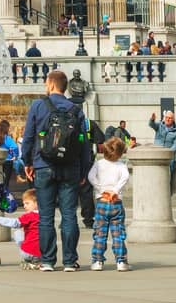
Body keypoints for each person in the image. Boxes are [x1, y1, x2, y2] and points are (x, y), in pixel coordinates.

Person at [21, 71, 93, 272]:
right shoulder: (76, 109)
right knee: (69, 214)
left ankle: (47, 260)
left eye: (46, 82)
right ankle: (69, 261)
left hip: (43, 165)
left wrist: (27, 161)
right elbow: (84, 143)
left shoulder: (38, 106)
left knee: (45, 216)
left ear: (51, 84)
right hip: (70, 167)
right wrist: (84, 171)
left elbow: (28, 137)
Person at [88, 136, 131, 272]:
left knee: (100, 233)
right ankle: (121, 261)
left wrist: (101, 189)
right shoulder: (121, 165)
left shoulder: (98, 163)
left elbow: (90, 177)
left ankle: (97, 260)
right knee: (118, 233)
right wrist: (115, 190)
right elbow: (125, 177)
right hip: (116, 202)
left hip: (102, 201)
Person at [0, 186, 41, 265]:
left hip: (28, 253)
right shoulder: (45, 216)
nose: (24, 206)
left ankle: (28, 259)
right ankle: (38, 260)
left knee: (18, 233)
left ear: (36, 203)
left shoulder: (29, 216)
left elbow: (14, 223)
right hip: (43, 254)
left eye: (27, 203)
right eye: (24, 204)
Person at [148, 111, 176, 193]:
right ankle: (153, 188)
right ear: (164, 118)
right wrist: (152, 120)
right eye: (167, 117)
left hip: (169, 155)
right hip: (157, 153)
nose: (168, 119)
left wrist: (167, 153)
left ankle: (166, 190)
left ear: (173, 119)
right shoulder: (159, 125)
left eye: (170, 118)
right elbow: (151, 125)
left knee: (169, 170)